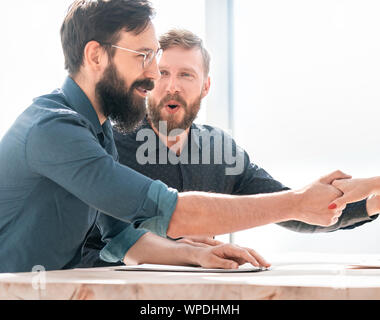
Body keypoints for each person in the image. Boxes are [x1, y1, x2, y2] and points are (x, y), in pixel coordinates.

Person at [0, 0, 362, 273]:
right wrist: (297, 201)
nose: (153, 74)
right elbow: (166, 210)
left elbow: (121, 235)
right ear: (96, 55)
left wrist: (197, 254)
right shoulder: (53, 129)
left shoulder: (97, 132)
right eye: (143, 56)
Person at [80, 29, 379, 267]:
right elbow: (103, 241)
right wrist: (176, 252)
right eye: (163, 74)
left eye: (186, 75)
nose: (172, 86)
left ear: (205, 86)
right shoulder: (110, 145)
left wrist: (369, 204)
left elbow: (294, 208)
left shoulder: (221, 150)